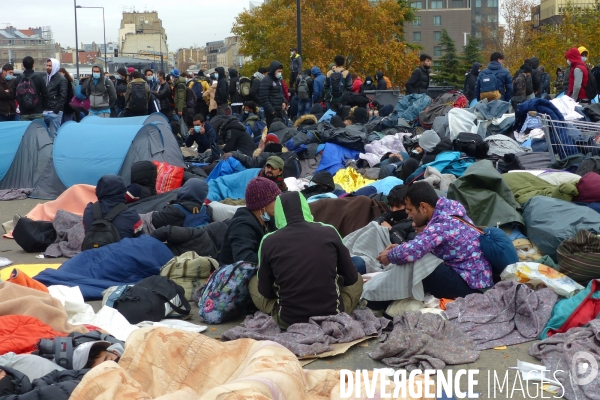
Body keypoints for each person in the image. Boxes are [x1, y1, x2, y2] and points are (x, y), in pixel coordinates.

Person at [249, 191, 363, 329]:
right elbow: (350, 278)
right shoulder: (329, 231)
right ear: (306, 208)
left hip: (288, 320)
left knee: (254, 282)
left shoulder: (268, 241)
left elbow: (266, 291)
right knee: (358, 277)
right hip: (332, 313)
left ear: (278, 213)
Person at [376, 182, 493, 299]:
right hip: (476, 279)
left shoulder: (442, 224)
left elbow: (414, 251)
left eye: (410, 210)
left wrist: (390, 256)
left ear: (423, 207)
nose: (409, 216)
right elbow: (420, 245)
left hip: (472, 286)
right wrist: (400, 249)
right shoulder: (448, 211)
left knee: (419, 262)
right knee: (416, 256)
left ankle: (377, 296)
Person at [219, 177, 281, 265]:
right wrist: (278, 256)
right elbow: (244, 260)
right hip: (235, 275)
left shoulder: (268, 220)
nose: (279, 202)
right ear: (263, 204)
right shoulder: (241, 226)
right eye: (275, 199)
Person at [83, 175, 143, 239]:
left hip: (93, 248)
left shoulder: (88, 211)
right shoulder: (131, 215)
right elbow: (142, 240)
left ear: (98, 191)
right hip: (121, 249)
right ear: (123, 190)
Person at [12, 56, 48, 122]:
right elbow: (45, 95)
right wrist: (42, 107)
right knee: (38, 131)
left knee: (26, 131)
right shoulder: (39, 78)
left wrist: (22, 104)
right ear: (33, 65)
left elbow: (14, 95)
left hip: (24, 111)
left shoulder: (18, 79)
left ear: (23, 65)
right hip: (37, 110)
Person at [44, 58, 67, 137]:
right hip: (45, 110)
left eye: (50, 66)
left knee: (54, 135)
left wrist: (56, 110)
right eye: (47, 65)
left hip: (54, 111)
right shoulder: (45, 78)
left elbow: (63, 96)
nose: (48, 67)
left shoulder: (61, 80)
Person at [260, 60, 285, 129]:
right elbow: (263, 97)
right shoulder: (266, 80)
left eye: (281, 72)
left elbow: (280, 92)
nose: (280, 73)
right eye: (278, 71)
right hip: (272, 112)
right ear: (274, 70)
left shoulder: (277, 80)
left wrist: (283, 101)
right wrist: (271, 110)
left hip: (279, 110)